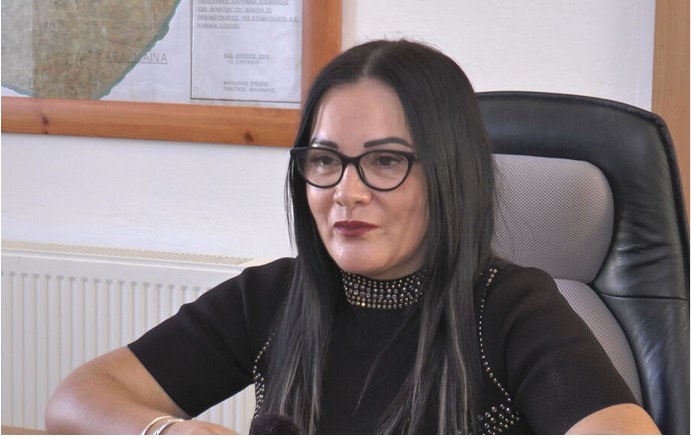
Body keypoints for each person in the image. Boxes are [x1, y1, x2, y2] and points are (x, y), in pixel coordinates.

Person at [45, 39, 661, 435]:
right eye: (324, 160)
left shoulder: (509, 308)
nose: (346, 191)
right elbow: (75, 400)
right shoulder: (272, 296)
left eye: (385, 161)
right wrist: (169, 431)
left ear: (450, 174)